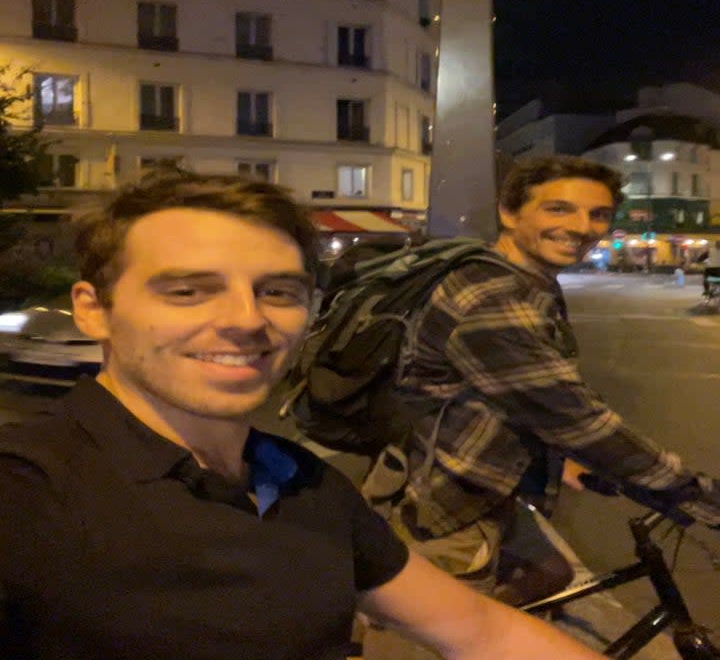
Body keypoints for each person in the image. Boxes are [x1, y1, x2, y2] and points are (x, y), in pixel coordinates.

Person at [0, 171, 610, 660]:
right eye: (187, 290)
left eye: (278, 292)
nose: (246, 319)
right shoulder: (27, 493)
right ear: (94, 310)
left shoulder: (305, 483)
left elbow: (481, 631)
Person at [377, 155, 720, 604]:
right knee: (453, 631)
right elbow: (572, 416)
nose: (582, 226)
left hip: (479, 479)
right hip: (446, 504)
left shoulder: (516, 278)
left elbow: (514, 396)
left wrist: (561, 461)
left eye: (598, 214)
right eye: (558, 209)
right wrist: (692, 491)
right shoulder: (492, 298)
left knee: (550, 573)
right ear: (509, 212)